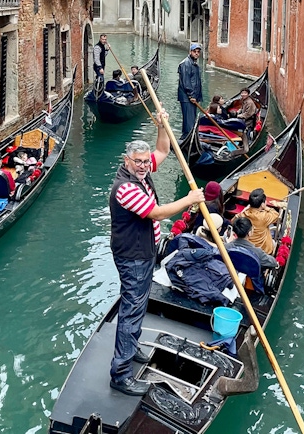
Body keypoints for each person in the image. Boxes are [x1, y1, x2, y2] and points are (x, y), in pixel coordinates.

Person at [109, 108, 205, 396]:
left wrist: (162, 124)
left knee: (137, 307)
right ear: (127, 161)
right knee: (131, 310)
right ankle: (121, 374)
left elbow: (163, 149)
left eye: (144, 161)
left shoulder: (143, 171)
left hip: (144, 253)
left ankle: (132, 346)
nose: (143, 166)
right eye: (137, 162)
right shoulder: (124, 189)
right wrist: (188, 199)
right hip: (133, 256)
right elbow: (156, 213)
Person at [233, 188, 283, 255]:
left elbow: (233, 221)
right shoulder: (264, 217)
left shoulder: (243, 214)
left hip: (248, 246)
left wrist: (244, 211)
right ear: (262, 204)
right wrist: (266, 208)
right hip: (264, 249)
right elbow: (276, 215)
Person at [177, 43, 203, 140]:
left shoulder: (194, 64)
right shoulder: (185, 64)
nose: (196, 54)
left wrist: (196, 96)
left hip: (193, 97)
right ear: (190, 52)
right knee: (189, 120)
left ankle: (187, 137)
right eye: (194, 51)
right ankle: (187, 137)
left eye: (198, 52)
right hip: (187, 97)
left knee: (191, 119)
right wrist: (191, 95)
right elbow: (186, 82)